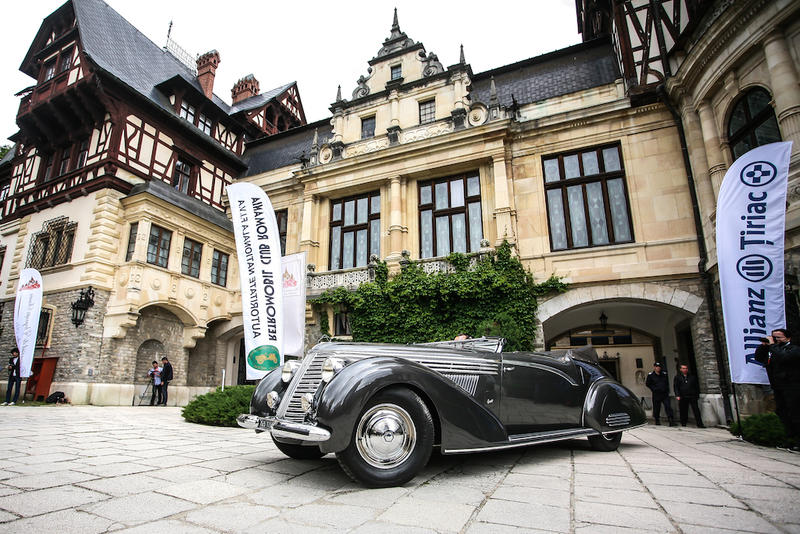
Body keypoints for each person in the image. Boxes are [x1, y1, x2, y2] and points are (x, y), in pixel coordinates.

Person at [755, 328, 800, 447]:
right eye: (774, 337)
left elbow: (783, 357)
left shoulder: (793, 349)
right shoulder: (773, 350)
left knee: (794, 412)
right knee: (782, 411)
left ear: (788, 338)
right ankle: (790, 438)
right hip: (778, 386)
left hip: (792, 386)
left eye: (778, 337)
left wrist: (772, 345)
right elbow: (759, 358)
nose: (776, 340)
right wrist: (763, 347)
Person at [645, 362, 676, 426]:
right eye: (657, 367)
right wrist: (654, 389)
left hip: (664, 394)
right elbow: (648, 384)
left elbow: (666, 382)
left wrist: (667, 389)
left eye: (659, 367)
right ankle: (657, 420)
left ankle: (671, 420)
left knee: (668, 406)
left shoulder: (664, 374)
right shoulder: (651, 375)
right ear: (654, 367)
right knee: (657, 407)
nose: (658, 368)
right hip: (656, 394)